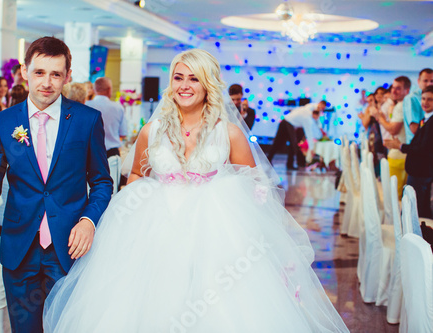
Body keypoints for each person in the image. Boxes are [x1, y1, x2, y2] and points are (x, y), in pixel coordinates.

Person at [43, 49, 348, 332]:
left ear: (207, 85)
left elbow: (255, 184)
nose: (185, 85)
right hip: (156, 228)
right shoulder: (153, 130)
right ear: (171, 84)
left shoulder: (228, 133)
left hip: (215, 232)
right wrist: (128, 214)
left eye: (194, 78)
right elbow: (136, 173)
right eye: (178, 77)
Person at [0, 36, 113, 333]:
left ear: (68, 76)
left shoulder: (87, 120)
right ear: (25, 72)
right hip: (19, 249)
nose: (47, 82)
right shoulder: (3, 122)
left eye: (56, 74)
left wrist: (89, 221)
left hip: (68, 248)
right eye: (40, 72)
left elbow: (102, 181)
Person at [384, 85, 433, 218]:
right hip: (417, 171)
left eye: (430, 100)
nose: (425, 102)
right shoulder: (424, 119)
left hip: (422, 173)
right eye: (423, 99)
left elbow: (423, 149)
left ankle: (414, 237)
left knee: (415, 211)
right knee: (413, 208)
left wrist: (400, 146)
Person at [377, 76, 410, 196]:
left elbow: (393, 129)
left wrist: (380, 118)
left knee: (394, 196)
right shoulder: (402, 105)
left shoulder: (401, 106)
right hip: (401, 153)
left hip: (398, 155)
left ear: (407, 90)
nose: (394, 91)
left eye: (398, 88)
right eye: (393, 88)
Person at [268, 101, 326, 170]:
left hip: (286, 122)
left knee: (281, 143)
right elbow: (309, 134)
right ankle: (288, 164)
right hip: (287, 123)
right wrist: (311, 148)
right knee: (290, 144)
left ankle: (285, 163)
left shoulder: (308, 109)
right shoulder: (307, 118)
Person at [86, 77, 127, 158]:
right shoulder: (118, 108)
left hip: (90, 153)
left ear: (94, 90)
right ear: (109, 90)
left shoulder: (86, 106)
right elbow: (123, 134)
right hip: (112, 154)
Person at [403, 68, 433, 144]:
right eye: (425, 81)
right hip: (416, 145)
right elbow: (414, 128)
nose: (429, 84)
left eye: (432, 81)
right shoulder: (412, 98)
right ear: (418, 81)